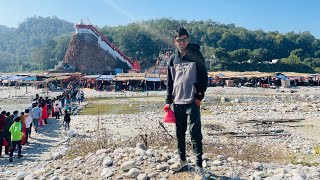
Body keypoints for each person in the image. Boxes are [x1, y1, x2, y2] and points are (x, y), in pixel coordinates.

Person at [165, 27, 208, 180]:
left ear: (188, 40)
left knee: (195, 134)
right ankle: (182, 161)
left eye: (184, 39)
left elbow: (204, 77)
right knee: (179, 133)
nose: (181, 42)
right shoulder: (172, 59)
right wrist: (168, 101)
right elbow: (170, 82)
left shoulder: (196, 55)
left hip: (192, 101)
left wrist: (199, 97)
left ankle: (199, 167)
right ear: (174, 42)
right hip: (177, 102)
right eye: (179, 40)